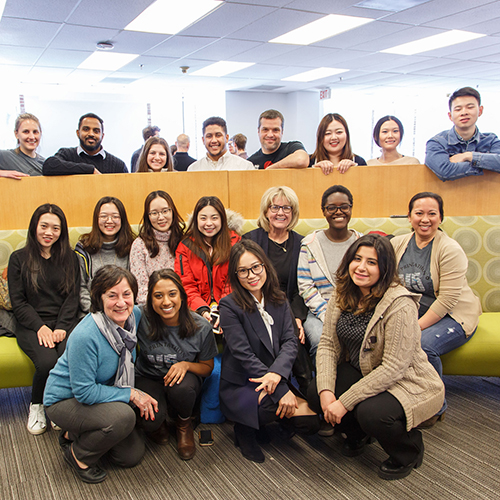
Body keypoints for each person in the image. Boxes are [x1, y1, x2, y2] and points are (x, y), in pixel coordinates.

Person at [308, 234, 444, 480]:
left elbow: (393, 368)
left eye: (372, 262)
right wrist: (327, 391)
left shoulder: (399, 304)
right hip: (365, 370)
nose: (361, 267)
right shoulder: (343, 292)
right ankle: (359, 434)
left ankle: (409, 450)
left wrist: (344, 402)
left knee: (371, 413)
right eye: (357, 259)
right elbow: (328, 344)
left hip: (406, 380)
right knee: (316, 392)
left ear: (385, 268)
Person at [44, 266, 157, 484]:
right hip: (66, 399)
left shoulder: (133, 315)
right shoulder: (86, 336)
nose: (121, 302)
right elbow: (84, 392)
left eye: (126, 294)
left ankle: (73, 433)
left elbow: (166, 311)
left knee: (130, 456)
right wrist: (131, 394)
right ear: (99, 298)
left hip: (103, 391)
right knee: (123, 417)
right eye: (112, 296)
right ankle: (78, 456)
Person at [219, 240, 319, 463]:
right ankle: (244, 430)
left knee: (310, 422)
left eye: (256, 267)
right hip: (245, 381)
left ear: (265, 266)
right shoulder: (229, 305)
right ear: (236, 275)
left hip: (274, 375)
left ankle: (271, 422)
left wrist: (277, 376)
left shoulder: (279, 299)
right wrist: (280, 389)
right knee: (271, 406)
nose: (251, 275)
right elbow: (243, 354)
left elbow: (290, 342)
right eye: (243, 271)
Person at [391, 192, 481, 427]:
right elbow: (389, 283)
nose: (425, 219)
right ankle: (406, 397)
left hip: (453, 314)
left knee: (423, 345)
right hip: (414, 311)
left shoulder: (449, 249)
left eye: (432, 213)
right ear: (409, 217)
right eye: (419, 213)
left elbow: (448, 299)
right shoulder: (398, 243)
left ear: (441, 217)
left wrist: (415, 327)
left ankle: (436, 406)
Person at [8, 204, 80, 435]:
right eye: (44, 226)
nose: (49, 232)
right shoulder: (18, 259)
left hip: (63, 322)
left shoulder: (70, 257)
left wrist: (60, 327)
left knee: (66, 356)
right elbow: (18, 302)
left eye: (56, 228)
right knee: (47, 361)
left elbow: (73, 298)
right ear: (34, 227)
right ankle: (37, 405)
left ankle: (57, 405)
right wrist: (40, 327)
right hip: (31, 323)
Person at [135, 269, 217, 459]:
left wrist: (186, 365)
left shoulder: (200, 326)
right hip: (148, 376)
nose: (166, 302)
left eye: (172, 294)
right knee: (150, 423)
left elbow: (207, 368)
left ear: (181, 295)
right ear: (150, 299)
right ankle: (160, 421)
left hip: (183, 381)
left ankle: (183, 424)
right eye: (158, 296)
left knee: (183, 389)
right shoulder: (139, 316)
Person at [243, 186, 312, 395]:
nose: (280, 213)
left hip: (291, 307)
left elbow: (304, 285)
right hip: (256, 304)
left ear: (293, 213)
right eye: (275, 207)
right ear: (266, 211)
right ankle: (304, 387)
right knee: (290, 329)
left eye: (286, 208)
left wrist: (298, 317)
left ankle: (296, 390)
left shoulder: (303, 243)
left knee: (293, 327)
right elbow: (243, 279)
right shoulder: (250, 240)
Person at [298, 185, 362, 360]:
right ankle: (323, 386)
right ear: (324, 211)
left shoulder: (362, 243)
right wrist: (328, 315)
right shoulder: (310, 244)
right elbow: (306, 287)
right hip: (319, 312)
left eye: (344, 207)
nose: (338, 212)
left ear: (351, 208)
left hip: (357, 310)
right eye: (331, 208)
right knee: (322, 342)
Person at [174, 196, 242, 328]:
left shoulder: (235, 243)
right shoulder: (185, 246)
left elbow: (234, 281)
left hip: (230, 305)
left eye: (214, 218)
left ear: (222, 219)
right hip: (195, 309)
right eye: (203, 218)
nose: (209, 223)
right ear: (196, 220)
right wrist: (202, 309)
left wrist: (223, 308)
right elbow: (186, 284)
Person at [425, 87, 500, 181]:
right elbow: (444, 171)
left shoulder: (490, 140)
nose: (464, 112)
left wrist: (468, 156)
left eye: (470, 107)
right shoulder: (438, 142)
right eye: (458, 109)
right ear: (450, 116)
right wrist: (487, 166)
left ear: (480, 111)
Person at [75, 196, 135, 314]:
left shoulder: (132, 246)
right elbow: (81, 288)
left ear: (122, 219)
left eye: (115, 216)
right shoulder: (83, 248)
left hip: (124, 312)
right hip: (92, 314)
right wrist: (97, 313)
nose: (109, 221)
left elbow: (134, 287)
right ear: (96, 219)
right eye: (103, 216)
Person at [130, 191, 185, 305]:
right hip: (152, 309)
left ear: (172, 211)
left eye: (165, 211)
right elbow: (141, 291)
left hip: (184, 306)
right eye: (154, 213)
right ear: (148, 216)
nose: (161, 217)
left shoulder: (185, 242)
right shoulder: (139, 245)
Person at [43, 113, 128, 175]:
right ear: (78, 133)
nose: (91, 134)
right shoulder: (66, 155)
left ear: (102, 136)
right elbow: (49, 165)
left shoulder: (118, 165)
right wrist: (90, 169)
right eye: (86, 129)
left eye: (96, 131)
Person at [187, 117, 254, 171]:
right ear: (203, 140)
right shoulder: (193, 170)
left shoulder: (245, 167)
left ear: (227, 138)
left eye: (218, 135)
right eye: (209, 136)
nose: (214, 140)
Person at [0, 113, 44, 178]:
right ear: (16, 134)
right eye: (26, 132)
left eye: (35, 132)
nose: (32, 137)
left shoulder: (45, 163)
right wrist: (1, 173)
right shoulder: (5, 156)